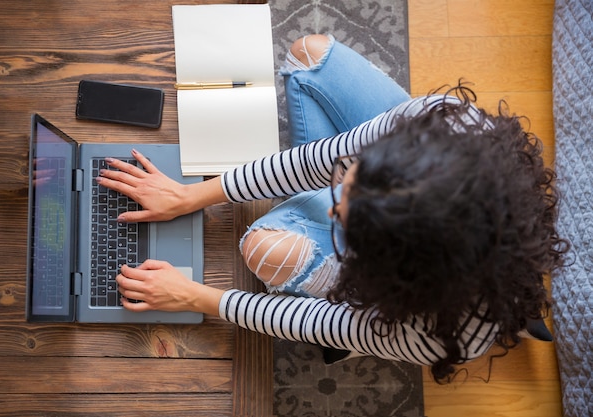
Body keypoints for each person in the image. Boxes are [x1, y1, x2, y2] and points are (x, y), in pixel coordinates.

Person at [96, 34, 569, 383]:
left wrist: (195, 297)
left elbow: (317, 321)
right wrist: (189, 196)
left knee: (262, 249)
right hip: (423, 226)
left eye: (344, 220)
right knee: (309, 56)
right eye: (351, 176)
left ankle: (356, 338)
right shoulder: (445, 121)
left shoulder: (432, 337)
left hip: (400, 305)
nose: (332, 206)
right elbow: (317, 160)